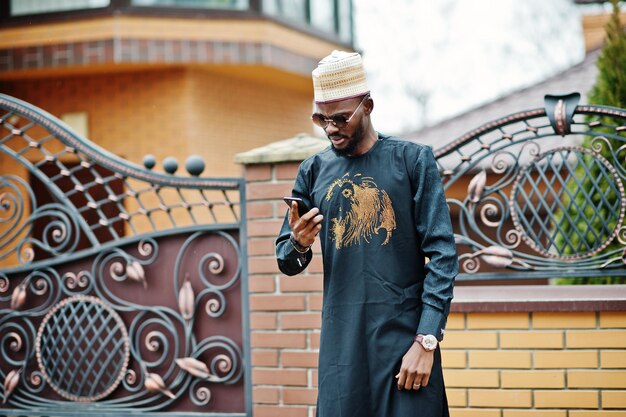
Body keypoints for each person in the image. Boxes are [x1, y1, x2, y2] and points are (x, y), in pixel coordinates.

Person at [275, 50, 458, 417]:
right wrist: (298, 243)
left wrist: (426, 340)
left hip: (405, 342)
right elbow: (287, 261)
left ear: (368, 105)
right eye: (320, 118)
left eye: (340, 117)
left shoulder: (411, 161)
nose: (330, 128)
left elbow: (442, 255)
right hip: (343, 352)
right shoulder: (313, 171)